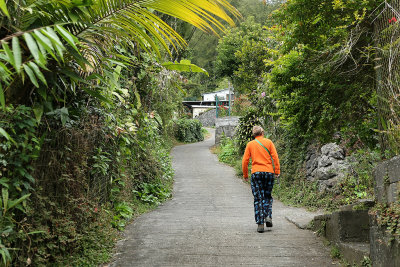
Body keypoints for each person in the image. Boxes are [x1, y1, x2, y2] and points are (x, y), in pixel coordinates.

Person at [242, 125, 280, 233]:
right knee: (267, 195)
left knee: (258, 197)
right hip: (268, 172)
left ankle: (260, 224)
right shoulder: (269, 142)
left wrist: (245, 174)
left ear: (254, 135)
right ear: (262, 133)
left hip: (256, 173)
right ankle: (268, 216)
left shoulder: (250, 144)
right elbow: (275, 157)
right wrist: (277, 171)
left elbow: (245, 160)